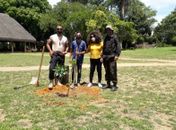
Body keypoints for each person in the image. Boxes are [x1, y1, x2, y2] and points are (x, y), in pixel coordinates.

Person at [46, 25, 69, 89]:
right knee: (52, 68)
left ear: (62, 30)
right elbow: (47, 44)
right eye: (58, 29)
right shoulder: (52, 36)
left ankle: (58, 81)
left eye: (60, 29)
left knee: (60, 69)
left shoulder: (65, 38)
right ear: (56, 30)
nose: (59, 30)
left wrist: (66, 51)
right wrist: (50, 51)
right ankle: (51, 82)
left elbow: (67, 46)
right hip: (54, 54)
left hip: (61, 55)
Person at [102, 25, 121, 91]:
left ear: (111, 30)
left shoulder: (115, 37)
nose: (108, 31)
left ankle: (114, 85)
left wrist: (117, 55)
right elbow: (103, 47)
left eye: (109, 29)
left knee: (112, 71)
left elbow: (118, 46)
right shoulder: (106, 38)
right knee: (107, 71)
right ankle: (108, 84)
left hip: (112, 57)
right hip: (105, 57)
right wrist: (102, 56)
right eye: (107, 30)